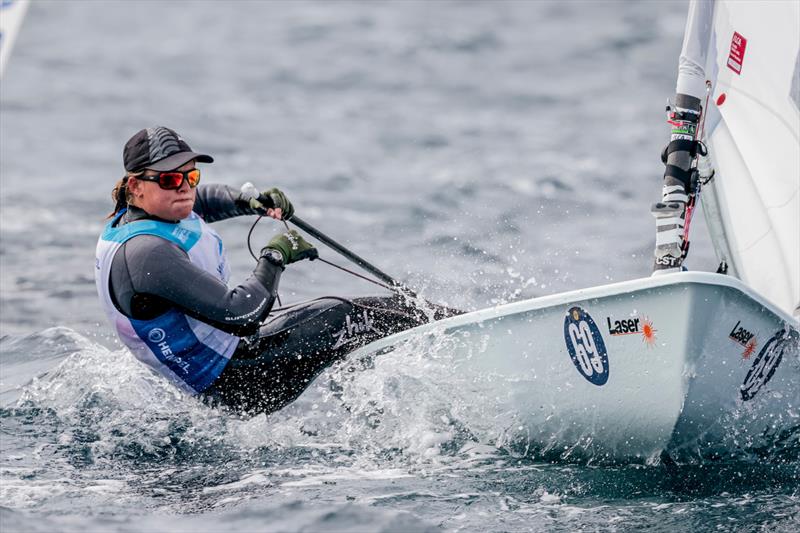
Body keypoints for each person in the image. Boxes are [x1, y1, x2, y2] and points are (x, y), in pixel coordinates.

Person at [95, 126, 454, 415]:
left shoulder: (152, 212)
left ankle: (428, 347)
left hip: (226, 367)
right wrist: (275, 255)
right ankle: (457, 333)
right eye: (172, 181)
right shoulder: (147, 254)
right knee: (345, 315)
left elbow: (202, 200)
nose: (186, 188)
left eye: (191, 176)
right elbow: (242, 313)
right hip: (240, 384)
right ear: (136, 187)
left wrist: (249, 201)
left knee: (359, 317)